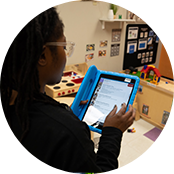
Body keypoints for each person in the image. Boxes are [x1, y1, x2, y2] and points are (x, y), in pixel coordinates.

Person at [0, 1, 135, 173]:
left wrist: (66, 114)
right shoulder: (67, 134)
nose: (66, 55)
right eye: (64, 46)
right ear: (42, 55)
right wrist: (112, 133)